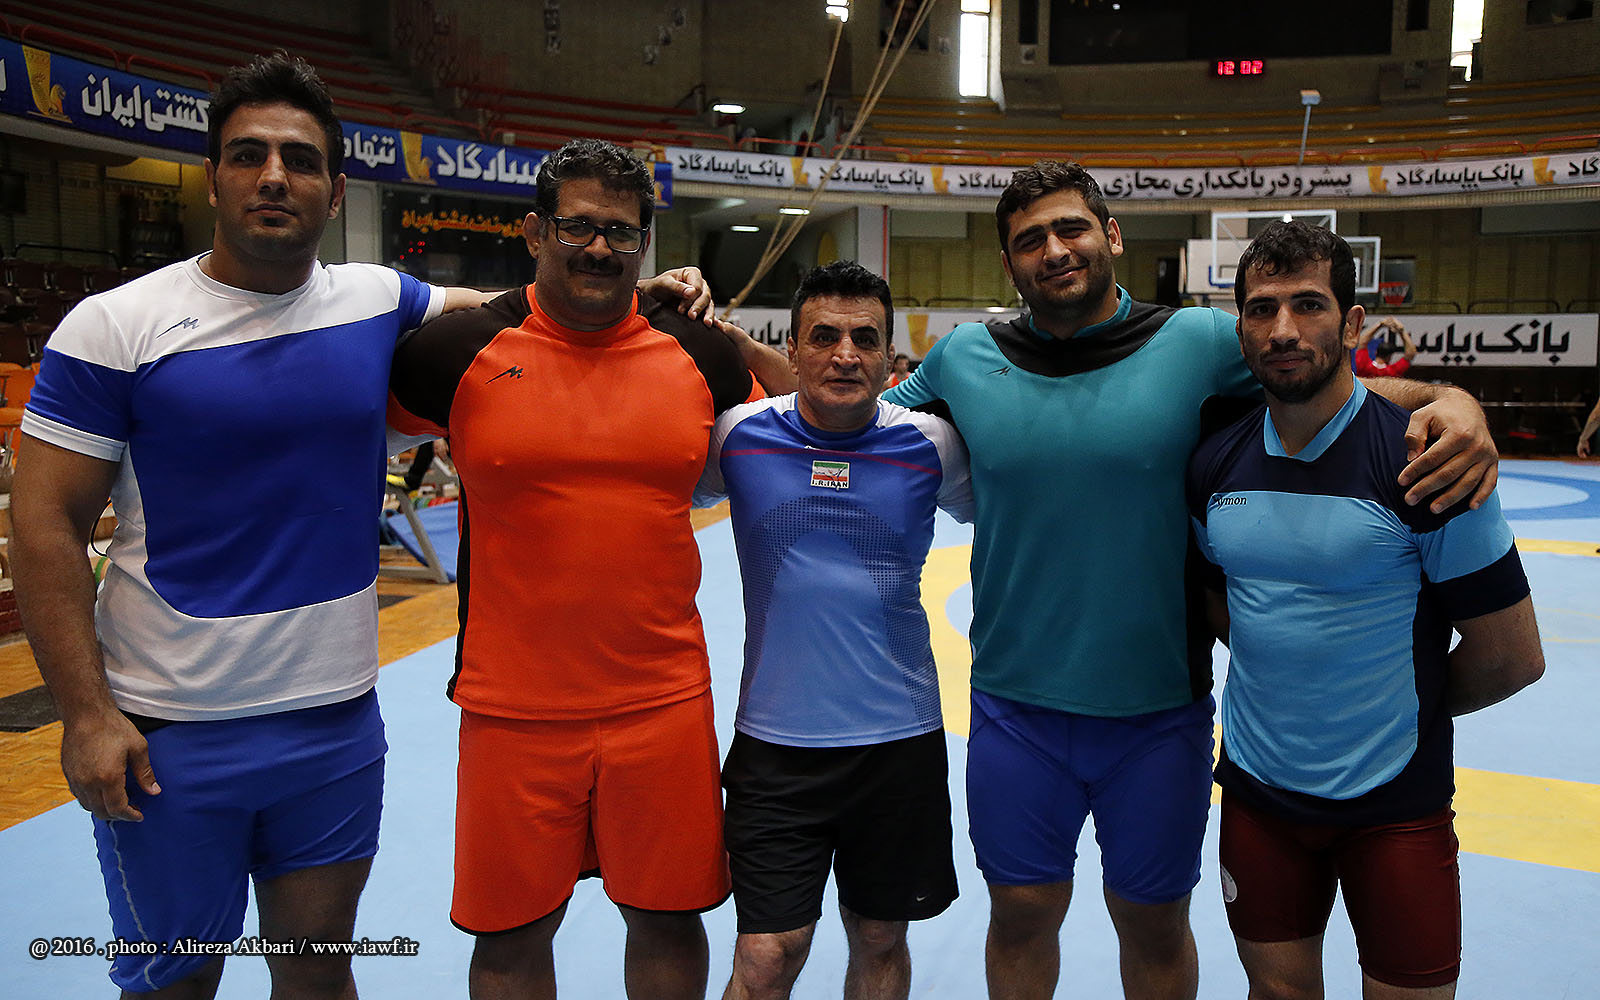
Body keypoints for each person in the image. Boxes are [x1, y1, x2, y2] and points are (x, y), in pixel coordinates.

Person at [10, 56, 715, 999]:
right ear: (211, 176)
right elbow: (45, 526)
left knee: (316, 976)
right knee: (174, 983)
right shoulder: (112, 328)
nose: (273, 177)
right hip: (170, 728)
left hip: (333, 725)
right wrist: (88, 716)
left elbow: (528, 311)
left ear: (335, 190)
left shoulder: (377, 299)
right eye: (249, 155)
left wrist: (641, 281)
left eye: (299, 160)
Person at [880, 160, 1500, 1000]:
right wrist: (734, 349)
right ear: (1008, 262)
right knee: (1020, 912)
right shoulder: (964, 357)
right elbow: (856, 415)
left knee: (1154, 923)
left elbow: (1329, 385)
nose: (1055, 250)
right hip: (1013, 707)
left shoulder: (1201, 342)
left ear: (1112, 235)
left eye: (1071, 228)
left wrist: (1452, 401)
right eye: (1030, 240)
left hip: (1158, 713)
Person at [387, 138, 790, 1000]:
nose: (599, 248)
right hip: (511, 711)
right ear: (535, 232)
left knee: (668, 919)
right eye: (577, 227)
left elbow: (808, 428)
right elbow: (328, 407)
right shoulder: (454, 352)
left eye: (621, 232)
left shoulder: (700, 354)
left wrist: (742, 342)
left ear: (645, 243)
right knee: (511, 933)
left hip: (663, 703)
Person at [1187, 220, 1544, 998]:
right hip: (1258, 799)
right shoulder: (1213, 463)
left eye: (1308, 305)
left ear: (1352, 324)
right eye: (1262, 309)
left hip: (1396, 809)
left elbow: (1512, 656)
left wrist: (1393, 704)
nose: (1284, 330)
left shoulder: (1428, 465)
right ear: (1241, 330)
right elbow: (1223, 605)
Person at [695, 261, 974, 1000]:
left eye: (864, 339)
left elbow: (1017, 509)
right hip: (774, 750)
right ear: (792, 349)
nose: (845, 355)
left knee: (880, 938)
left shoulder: (931, 445)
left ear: (889, 357)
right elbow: (643, 494)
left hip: (898, 745)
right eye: (824, 337)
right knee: (766, 956)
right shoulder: (738, 437)